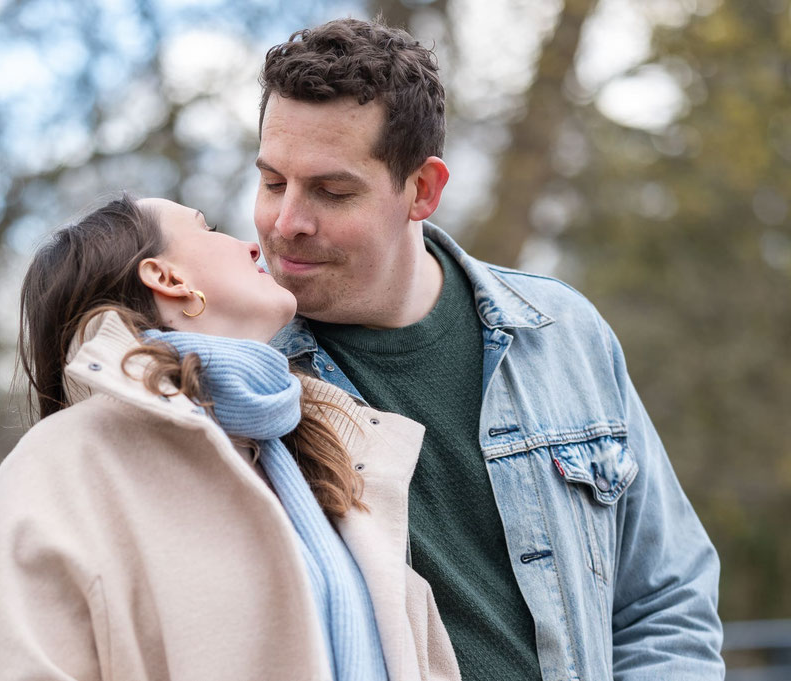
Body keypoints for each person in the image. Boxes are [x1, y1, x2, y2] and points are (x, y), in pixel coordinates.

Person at [255, 17, 724, 681]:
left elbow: (664, 598)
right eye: (273, 182)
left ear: (423, 190)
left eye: (332, 191)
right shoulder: (239, 371)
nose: (286, 221)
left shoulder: (564, 334)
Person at [0, 194, 461, 681]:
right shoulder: (62, 466)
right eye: (208, 228)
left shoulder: (330, 445)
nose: (250, 245)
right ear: (166, 277)